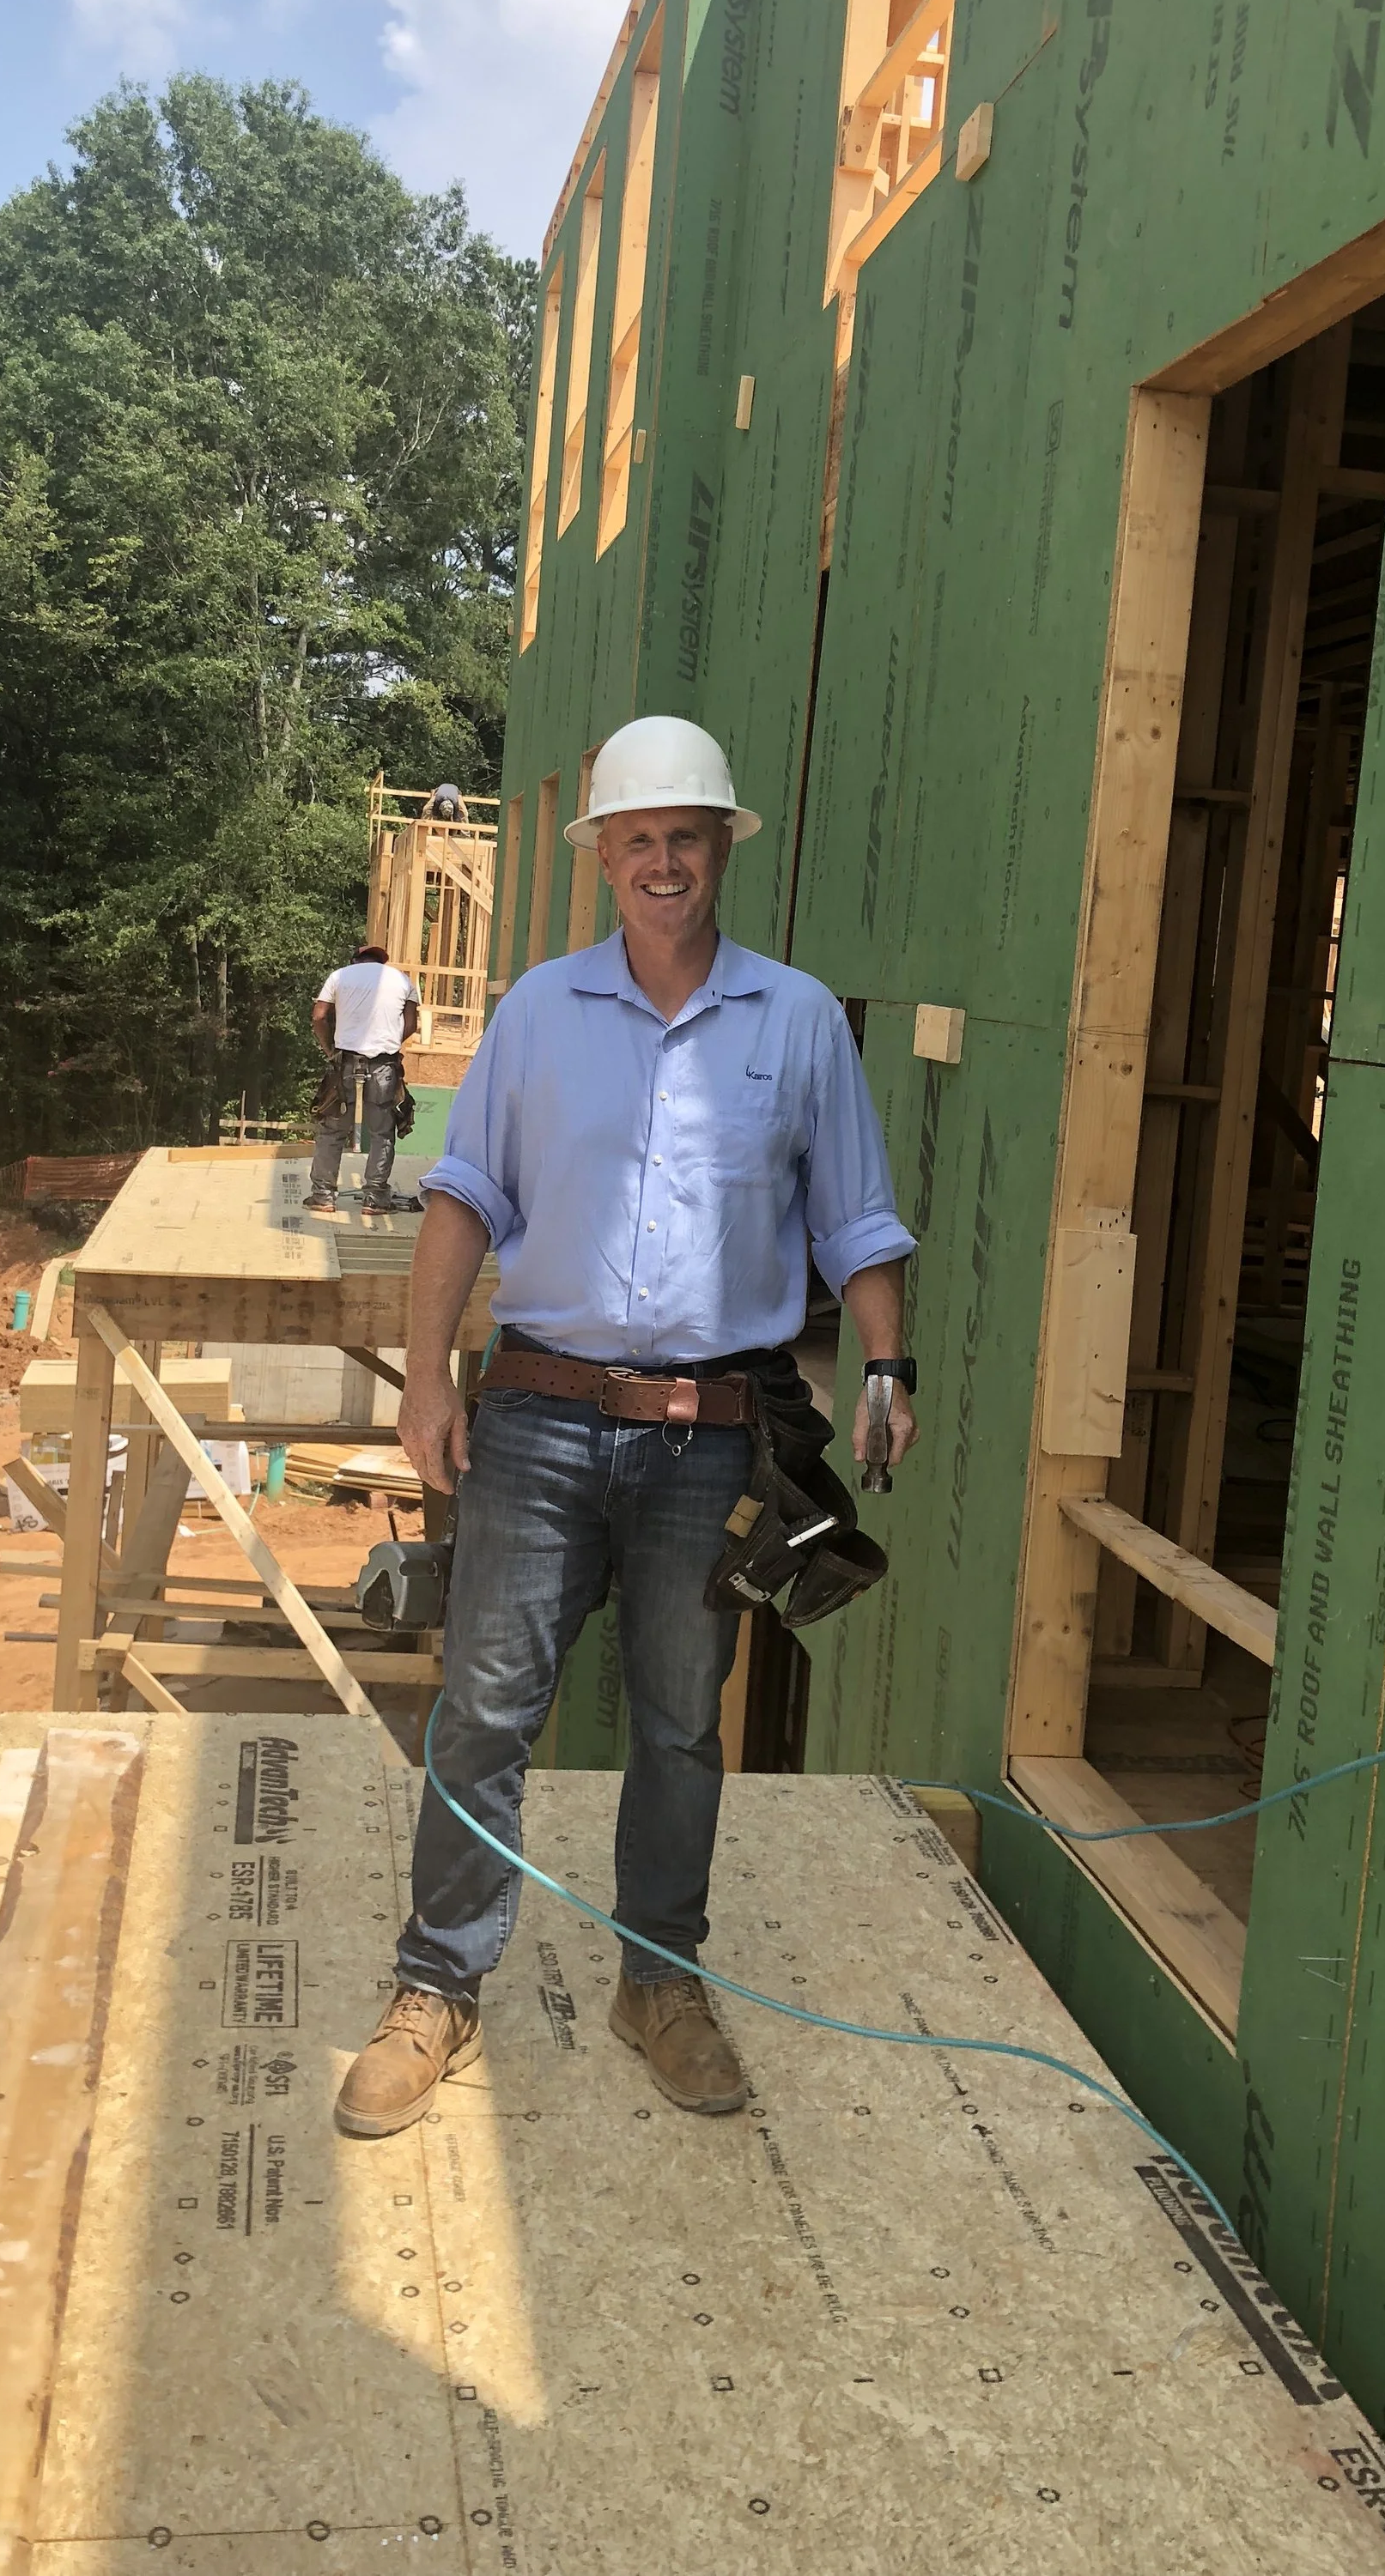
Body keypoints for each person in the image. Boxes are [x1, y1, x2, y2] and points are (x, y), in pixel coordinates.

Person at [335, 715, 919, 2140]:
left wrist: (889, 1367)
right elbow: (464, 1193)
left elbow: (855, 1218)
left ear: (724, 847)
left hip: (706, 1442)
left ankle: (658, 1979)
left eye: (686, 835)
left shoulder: (793, 1021)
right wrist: (423, 1380)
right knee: (483, 1712)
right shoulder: (539, 1010)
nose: (662, 859)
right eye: (636, 837)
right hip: (536, 1420)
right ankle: (439, 1987)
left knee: (677, 1725)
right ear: (604, 856)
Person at [307, 946, 422, 1216]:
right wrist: (390, 1044)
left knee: (333, 1129)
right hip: (384, 1065)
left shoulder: (339, 976)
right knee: (382, 1133)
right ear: (382, 962)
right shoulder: (403, 980)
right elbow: (411, 1024)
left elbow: (319, 1016)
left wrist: (330, 1050)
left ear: (356, 961)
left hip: (345, 1062)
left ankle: (323, 1196)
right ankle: (376, 1198)